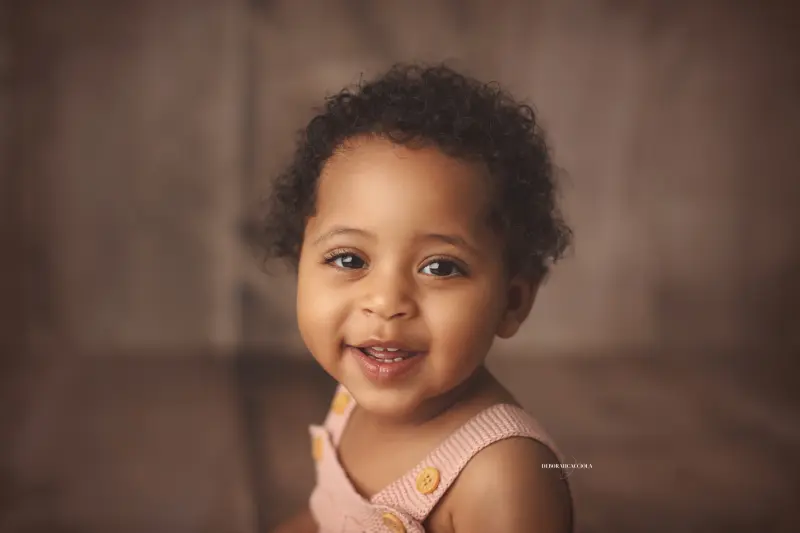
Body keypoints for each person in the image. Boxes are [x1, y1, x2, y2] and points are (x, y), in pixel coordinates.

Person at [262, 62, 574, 533]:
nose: (386, 302)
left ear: (512, 302)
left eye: (440, 267)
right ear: (299, 257)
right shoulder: (354, 398)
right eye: (349, 259)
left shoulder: (503, 475)